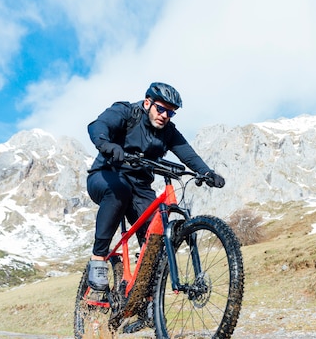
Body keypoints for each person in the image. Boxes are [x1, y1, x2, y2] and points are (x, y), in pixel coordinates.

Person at [86, 82, 225, 295]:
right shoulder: (126, 112)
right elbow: (97, 126)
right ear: (147, 103)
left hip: (140, 187)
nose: (164, 115)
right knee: (120, 191)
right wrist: (107, 145)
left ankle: (146, 298)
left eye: (170, 112)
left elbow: (188, 154)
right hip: (106, 175)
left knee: (156, 232)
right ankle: (98, 259)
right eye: (160, 109)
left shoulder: (168, 131)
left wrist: (207, 173)